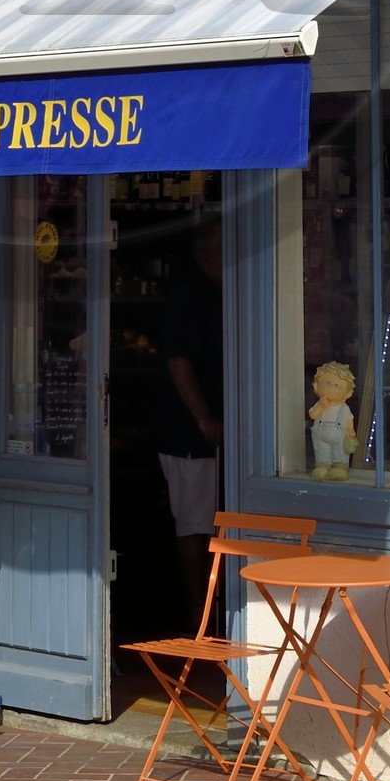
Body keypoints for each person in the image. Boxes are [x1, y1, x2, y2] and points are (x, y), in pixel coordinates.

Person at [155, 222, 225, 629]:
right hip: (190, 435)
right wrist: (203, 418)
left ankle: (212, 618)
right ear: (206, 252)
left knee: (210, 525)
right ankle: (199, 619)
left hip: (213, 433)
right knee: (194, 527)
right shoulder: (187, 296)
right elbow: (178, 362)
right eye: (221, 249)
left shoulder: (220, 291)